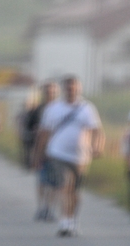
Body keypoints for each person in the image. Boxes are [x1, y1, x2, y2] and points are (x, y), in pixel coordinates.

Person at [33, 76, 105, 237]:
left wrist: (97, 146)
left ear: (79, 89)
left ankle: (73, 220)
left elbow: (97, 131)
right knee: (65, 186)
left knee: (75, 192)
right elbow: (44, 133)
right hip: (58, 153)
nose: (71, 90)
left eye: (74, 87)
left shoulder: (87, 108)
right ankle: (65, 223)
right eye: (68, 87)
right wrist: (38, 154)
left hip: (81, 156)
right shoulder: (53, 109)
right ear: (64, 90)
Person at [27, 82, 60, 221]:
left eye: (52, 92)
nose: (50, 94)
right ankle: (41, 207)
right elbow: (29, 128)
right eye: (48, 92)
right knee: (41, 181)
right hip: (41, 149)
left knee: (55, 182)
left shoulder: (61, 109)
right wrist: (35, 151)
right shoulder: (38, 110)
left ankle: (50, 208)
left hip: (58, 150)